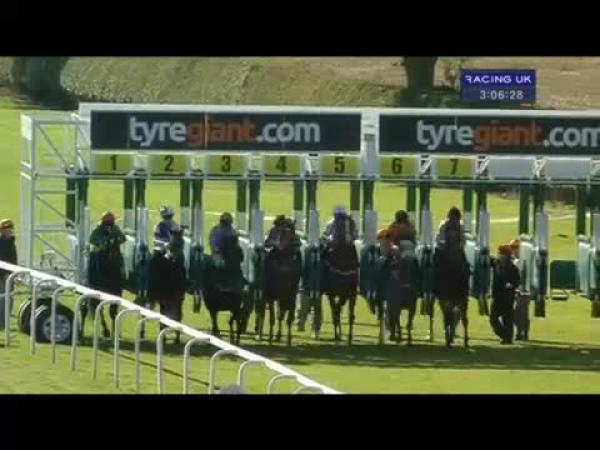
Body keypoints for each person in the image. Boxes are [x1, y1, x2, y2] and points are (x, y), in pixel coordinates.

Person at [490, 244, 521, 344]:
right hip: (497, 295)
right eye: (500, 253)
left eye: (502, 254)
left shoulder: (512, 268)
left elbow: (517, 281)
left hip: (507, 296)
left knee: (507, 318)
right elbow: (489, 260)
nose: (500, 255)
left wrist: (511, 285)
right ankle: (503, 334)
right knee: (493, 318)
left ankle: (507, 338)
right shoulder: (496, 264)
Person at [509, 239, 530, 340]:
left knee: (521, 313)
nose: (513, 251)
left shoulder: (521, 262)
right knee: (518, 313)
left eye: (515, 248)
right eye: (512, 248)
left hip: (522, 291)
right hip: (517, 291)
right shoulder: (514, 261)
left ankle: (523, 333)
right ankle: (521, 332)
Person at [0, 219, 17, 330]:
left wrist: (14, 273)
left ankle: (4, 323)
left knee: (9, 300)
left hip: (9, 276)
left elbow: (13, 260)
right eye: (7, 228)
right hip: (1, 276)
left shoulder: (11, 242)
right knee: (2, 300)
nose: (9, 230)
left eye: (10, 228)